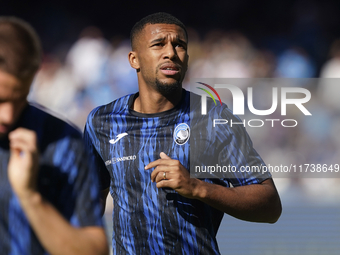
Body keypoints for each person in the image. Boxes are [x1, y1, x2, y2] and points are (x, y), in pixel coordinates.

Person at [84, 12, 282, 254]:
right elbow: (89, 205)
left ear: (187, 59)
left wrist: (197, 187)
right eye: (158, 44)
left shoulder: (214, 118)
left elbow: (270, 206)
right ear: (134, 59)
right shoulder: (101, 122)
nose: (171, 53)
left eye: (180, 45)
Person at [0, 17, 109, 255]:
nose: (8, 115)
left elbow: (94, 251)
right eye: (0, 100)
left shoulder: (63, 142)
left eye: (20, 99)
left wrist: (31, 197)